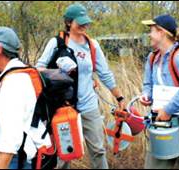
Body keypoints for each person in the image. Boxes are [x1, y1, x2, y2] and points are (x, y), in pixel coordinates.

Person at [36, 3, 125, 169]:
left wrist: (119, 97)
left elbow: (105, 73)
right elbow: (39, 69)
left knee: (98, 150)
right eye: (80, 22)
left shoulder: (92, 45)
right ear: (69, 22)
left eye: (86, 22)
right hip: (63, 107)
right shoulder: (57, 42)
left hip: (89, 105)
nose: (84, 25)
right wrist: (60, 72)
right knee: (65, 154)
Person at [0, 26, 51, 169]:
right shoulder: (4, 76)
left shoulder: (14, 82)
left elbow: (10, 140)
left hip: (22, 157)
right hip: (19, 155)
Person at [140, 14, 179, 169]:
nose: (149, 35)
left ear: (162, 33)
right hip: (160, 121)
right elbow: (148, 83)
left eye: (152, 30)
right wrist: (146, 95)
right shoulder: (152, 57)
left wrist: (168, 109)